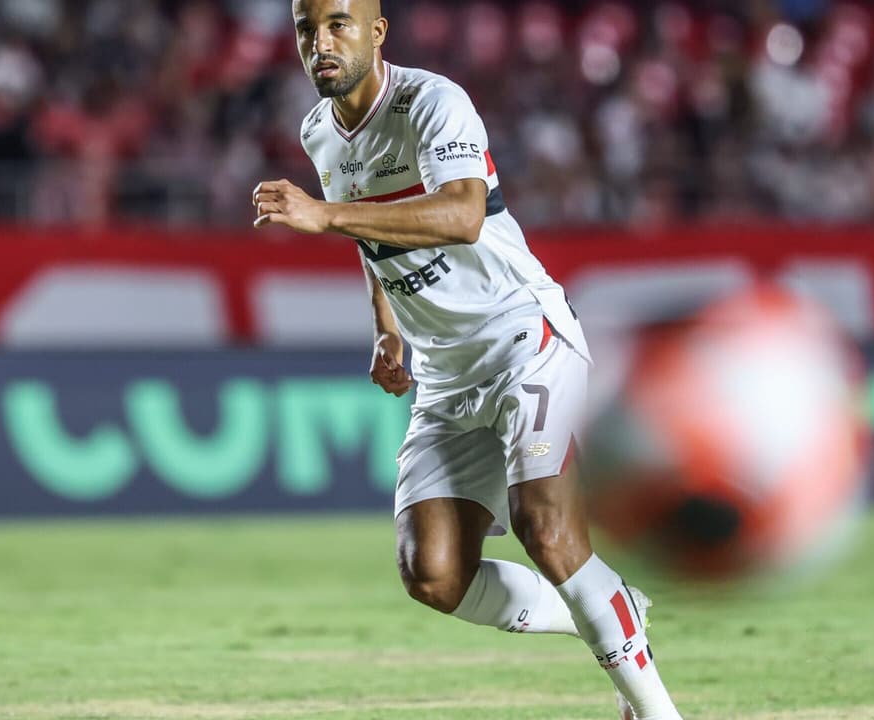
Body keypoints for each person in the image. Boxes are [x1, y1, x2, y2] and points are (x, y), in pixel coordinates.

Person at [252, 2, 683, 717]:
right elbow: (372, 238)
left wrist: (323, 216)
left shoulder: (432, 103)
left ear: (376, 32)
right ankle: (612, 607)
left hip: (522, 337)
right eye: (306, 29)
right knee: (433, 573)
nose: (320, 43)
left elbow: (462, 214)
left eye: (337, 24)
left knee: (545, 530)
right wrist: (387, 328)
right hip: (445, 373)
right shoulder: (318, 132)